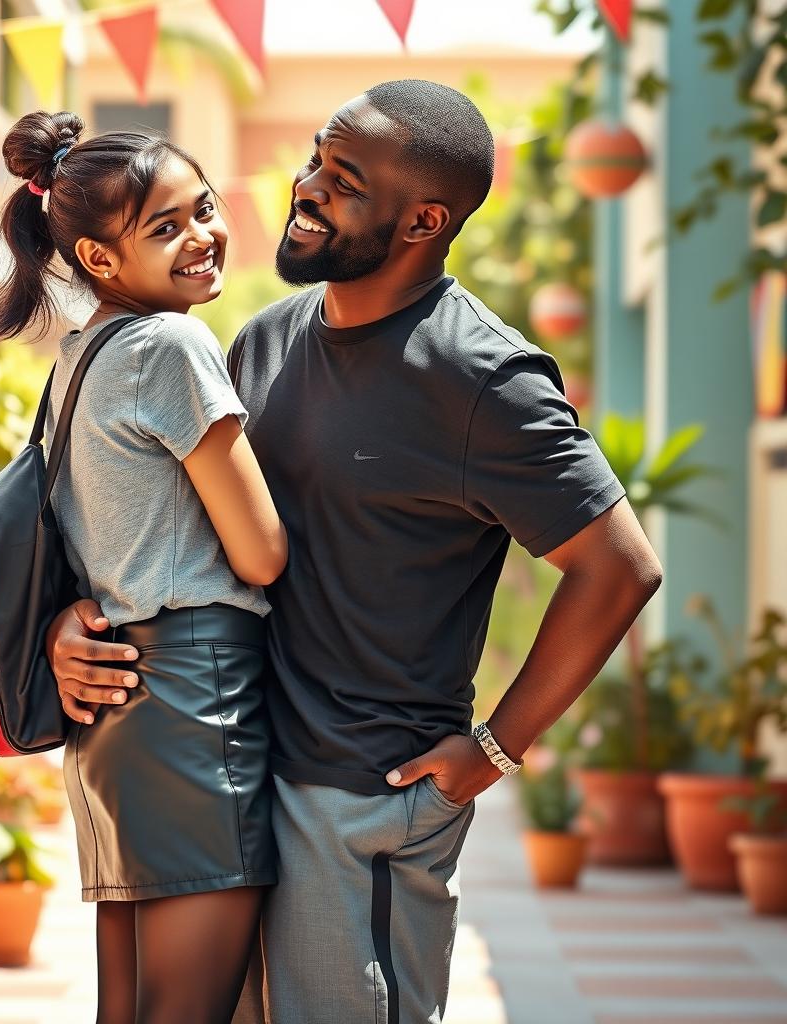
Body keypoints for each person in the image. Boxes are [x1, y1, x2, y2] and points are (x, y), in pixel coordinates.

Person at [47, 80, 663, 1023]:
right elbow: (150, 521)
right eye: (314, 161)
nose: (307, 188)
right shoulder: (262, 341)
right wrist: (68, 621)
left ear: (422, 219)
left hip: (360, 797)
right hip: (230, 775)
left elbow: (619, 566)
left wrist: (495, 747)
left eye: (344, 179)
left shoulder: (484, 378)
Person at [0, 110, 288, 1024]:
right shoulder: (173, 346)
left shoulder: (78, 360)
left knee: (132, 1010)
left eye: (200, 209)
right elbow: (262, 553)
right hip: (198, 699)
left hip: (115, 718)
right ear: (100, 261)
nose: (200, 237)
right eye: (165, 228)